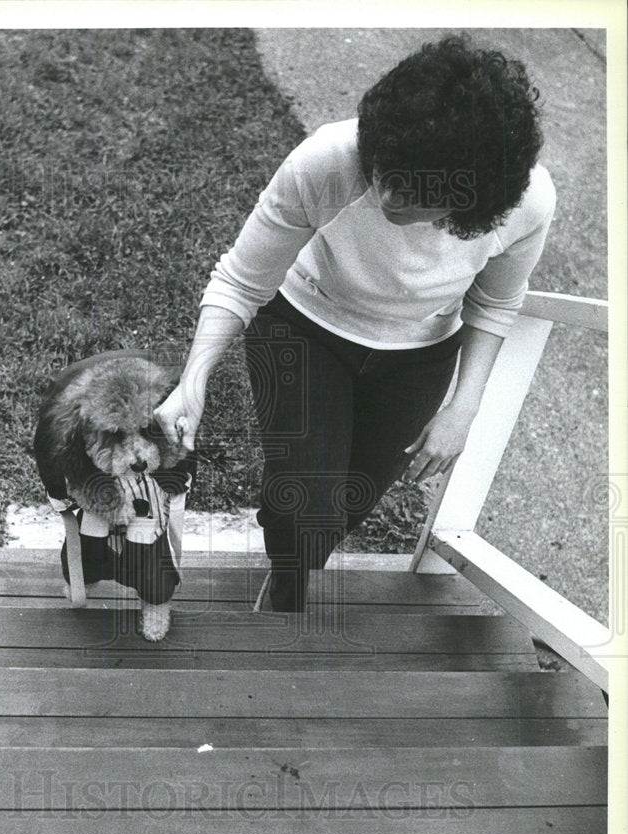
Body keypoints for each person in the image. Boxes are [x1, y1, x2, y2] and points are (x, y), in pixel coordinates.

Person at [154, 34, 556, 611]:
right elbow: (241, 279)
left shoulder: (527, 204)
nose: (388, 195)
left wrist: (463, 409)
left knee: (350, 504)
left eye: (414, 193)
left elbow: (494, 304)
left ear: (471, 200)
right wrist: (192, 384)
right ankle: (288, 583)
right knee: (306, 505)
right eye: (384, 170)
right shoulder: (328, 159)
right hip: (303, 324)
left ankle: (291, 565)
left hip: (419, 354)